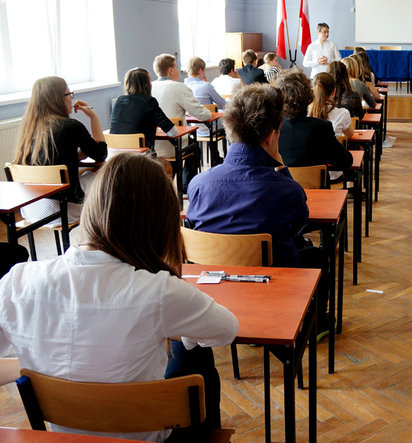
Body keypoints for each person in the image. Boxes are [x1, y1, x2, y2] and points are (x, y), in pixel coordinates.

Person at [0, 153, 238, 442]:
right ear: (158, 223)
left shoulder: (17, 282)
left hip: (67, 436)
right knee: (195, 351)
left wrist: (33, 363)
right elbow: (227, 330)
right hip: (146, 436)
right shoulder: (161, 291)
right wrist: (181, 332)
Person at [186, 83, 313, 269]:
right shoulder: (287, 190)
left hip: (213, 285)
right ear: (271, 136)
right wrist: (281, 167)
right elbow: (299, 222)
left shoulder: (198, 185)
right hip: (274, 286)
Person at [14, 76, 107, 225]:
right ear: (58, 98)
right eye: (68, 94)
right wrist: (93, 117)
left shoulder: (29, 128)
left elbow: (48, 164)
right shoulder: (70, 126)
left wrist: (75, 157)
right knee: (104, 176)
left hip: (31, 209)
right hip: (64, 209)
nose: (71, 99)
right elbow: (101, 154)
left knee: (87, 175)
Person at [151, 53, 211, 190]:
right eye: (176, 67)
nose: (179, 71)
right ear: (170, 70)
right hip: (174, 142)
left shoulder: (149, 87)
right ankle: (186, 185)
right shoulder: (180, 87)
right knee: (194, 146)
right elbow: (203, 115)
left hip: (153, 144)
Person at [277, 68, 353, 172]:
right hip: (316, 187)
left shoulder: (272, 130)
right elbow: (345, 161)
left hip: (283, 187)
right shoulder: (322, 127)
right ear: (309, 96)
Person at [110, 67, 178, 152]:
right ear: (146, 84)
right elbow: (173, 132)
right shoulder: (149, 102)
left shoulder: (118, 101)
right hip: (142, 159)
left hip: (117, 155)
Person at [309, 72, 354, 139]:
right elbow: (349, 135)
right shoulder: (342, 114)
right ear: (334, 92)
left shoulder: (304, 114)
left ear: (312, 90)